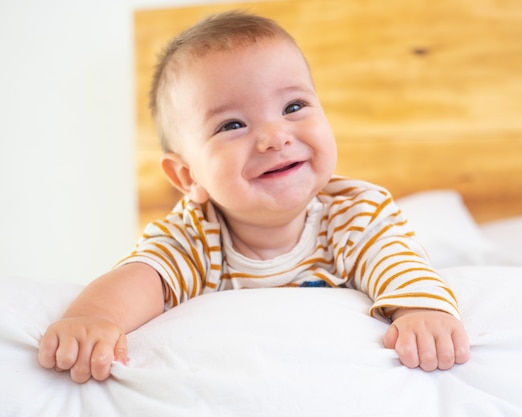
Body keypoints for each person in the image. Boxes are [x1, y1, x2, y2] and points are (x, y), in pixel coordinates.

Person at [38, 11, 470, 383]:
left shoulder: (353, 212)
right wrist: (93, 319)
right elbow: (143, 277)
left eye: (293, 106)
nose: (274, 137)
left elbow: (395, 259)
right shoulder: (194, 235)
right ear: (188, 175)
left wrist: (418, 311)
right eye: (231, 125)